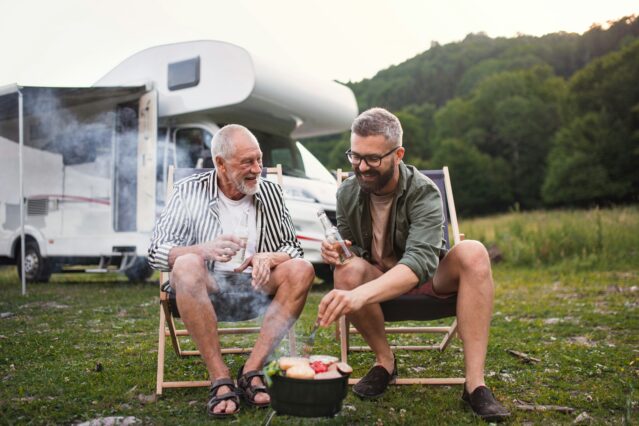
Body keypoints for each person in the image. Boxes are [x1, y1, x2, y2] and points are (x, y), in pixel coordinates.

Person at [317, 108, 510, 422]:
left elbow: (420, 263)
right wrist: (335, 254)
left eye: (373, 159)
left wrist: (357, 296)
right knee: (347, 269)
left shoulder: (424, 192)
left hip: (431, 278)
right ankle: (385, 362)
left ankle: (475, 384)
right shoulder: (346, 193)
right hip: (378, 278)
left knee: (473, 251)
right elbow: (351, 255)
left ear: (398, 154)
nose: (362, 167)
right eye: (355, 156)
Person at [148, 124, 314, 418]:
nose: (257, 169)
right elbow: (156, 251)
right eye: (247, 162)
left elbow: (293, 247)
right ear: (220, 164)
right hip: (207, 286)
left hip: (255, 286)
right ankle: (220, 378)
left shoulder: (270, 193)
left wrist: (269, 256)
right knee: (186, 264)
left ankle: (252, 370)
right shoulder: (189, 191)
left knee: (301, 269)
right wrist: (202, 250)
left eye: (259, 160)